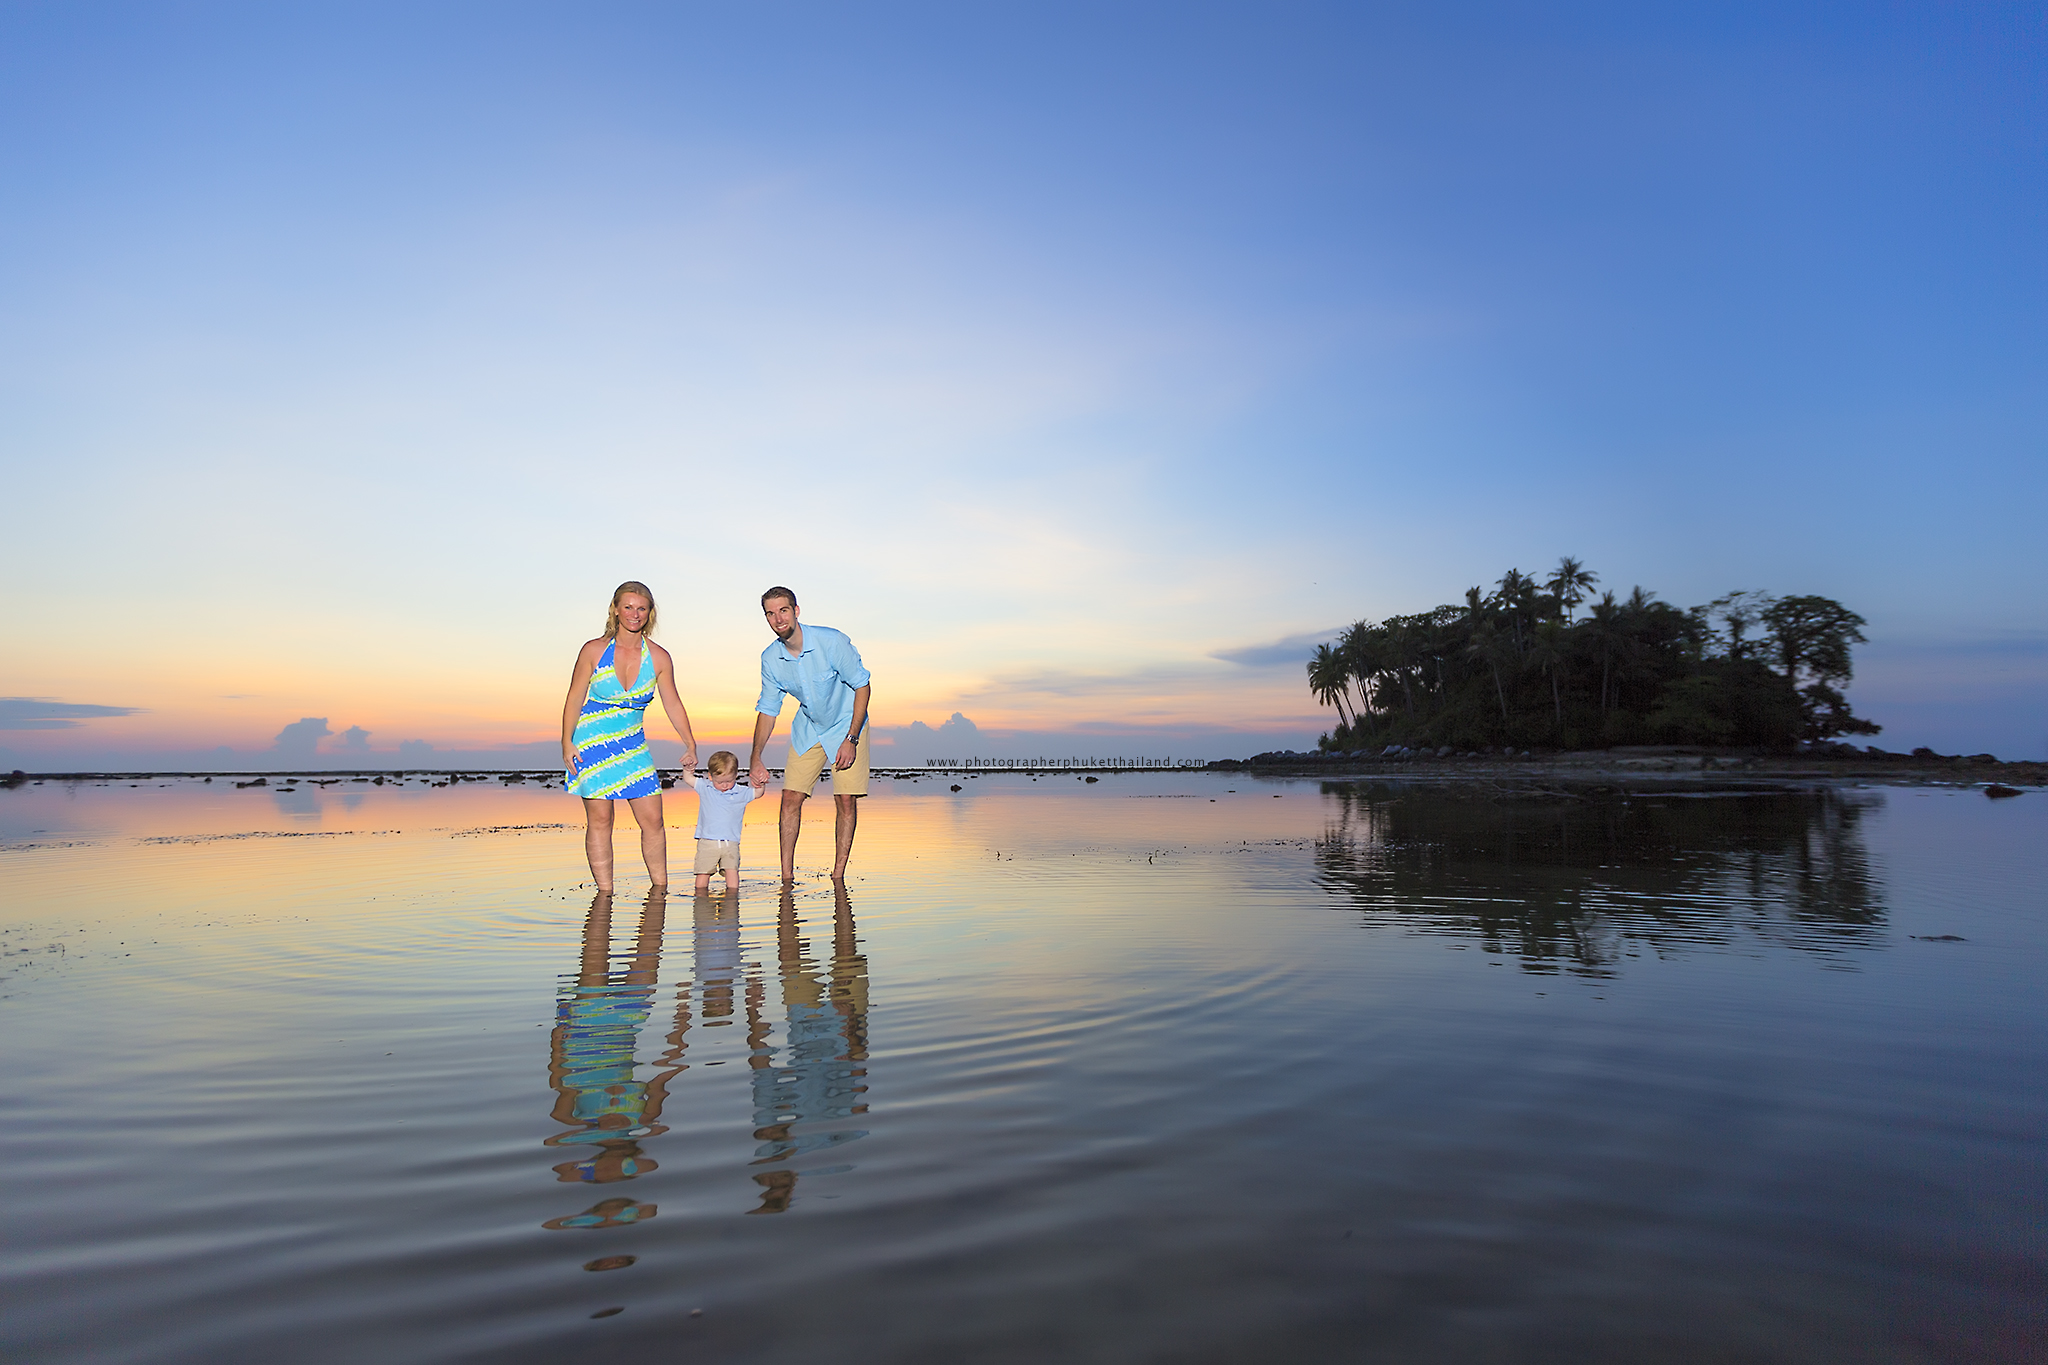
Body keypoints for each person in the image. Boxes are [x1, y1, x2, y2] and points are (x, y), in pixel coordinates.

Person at [562, 581, 697, 891]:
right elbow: (574, 697)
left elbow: (673, 702)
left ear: (649, 613)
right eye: (628, 607)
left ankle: (660, 890)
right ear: (616, 610)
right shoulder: (593, 650)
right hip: (591, 745)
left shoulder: (659, 657)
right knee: (600, 821)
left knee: (653, 821)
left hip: (633, 745)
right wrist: (565, 741)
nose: (635, 614)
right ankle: (605, 894)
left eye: (641, 608)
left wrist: (689, 741)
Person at [747, 587, 871, 881]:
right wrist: (755, 757)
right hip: (810, 726)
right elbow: (767, 709)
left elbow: (863, 686)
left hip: (847, 724)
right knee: (790, 797)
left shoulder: (831, 641)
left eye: (784, 610)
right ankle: (786, 877)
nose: (778, 618)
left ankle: (837, 876)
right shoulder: (770, 658)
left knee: (845, 800)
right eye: (770, 613)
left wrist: (851, 739)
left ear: (796, 610)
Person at [676, 750, 771, 892]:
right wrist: (687, 769)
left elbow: (757, 793)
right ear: (710, 776)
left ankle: (732, 897)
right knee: (703, 872)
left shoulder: (741, 792)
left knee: (732, 871)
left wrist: (761, 784)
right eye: (720, 782)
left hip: (730, 843)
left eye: (729, 781)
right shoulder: (705, 787)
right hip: (707, 841)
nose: (725, 785)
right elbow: (689, 778)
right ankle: (700, 897)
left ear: (736, 776)